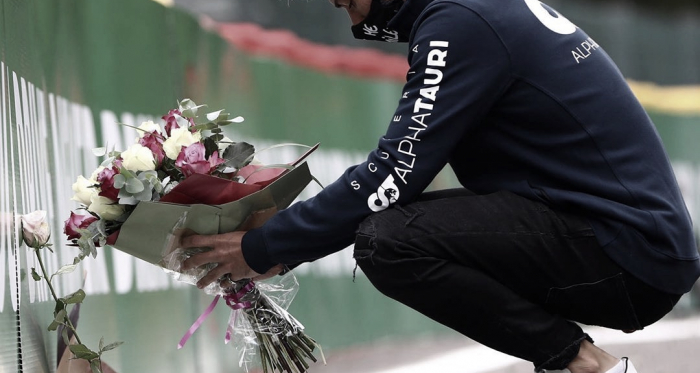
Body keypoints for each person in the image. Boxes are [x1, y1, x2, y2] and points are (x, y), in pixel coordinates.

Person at [181, 0, 700, 372]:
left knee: (390, 241)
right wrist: (284, 238)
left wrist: (266, 246)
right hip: (626, 241)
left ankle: (583, 364)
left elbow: (396, 170)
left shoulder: (457, 20)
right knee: (403, 232)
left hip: (626, 252)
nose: (335, 0)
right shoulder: (467, 11)